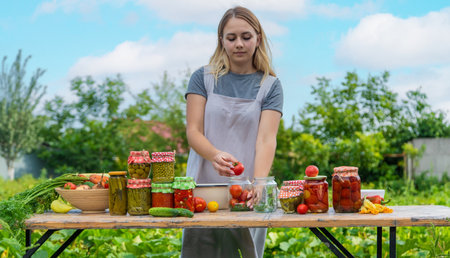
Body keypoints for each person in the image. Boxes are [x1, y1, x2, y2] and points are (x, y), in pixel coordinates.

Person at [181, 6, 283, 258]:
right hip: (205, 185)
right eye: (231, 38)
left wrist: (259, 182)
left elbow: (267, 139)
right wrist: (214, 155)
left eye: (246, 37)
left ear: (258, 38)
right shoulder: (202, 78)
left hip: (247, 188)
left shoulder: (270, 85)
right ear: (221, 41)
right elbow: (193, 131)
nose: (239, 44)